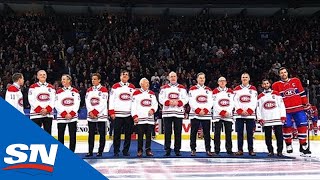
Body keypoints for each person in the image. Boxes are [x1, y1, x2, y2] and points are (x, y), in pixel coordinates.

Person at [272, 67, 311, 155]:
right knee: (287, 126)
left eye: (285, 72)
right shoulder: (276, 85)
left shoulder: (296, 81)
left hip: (299, 108)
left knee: (302, 125)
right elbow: (276, 99)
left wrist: (305, 104)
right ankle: (288, 144)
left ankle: (303, 145)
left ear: (287, 73)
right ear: (279, 74)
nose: (283, 74)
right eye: (281, 73)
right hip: (285, 110)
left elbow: (302, 93)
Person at [159, 71, 189, 156]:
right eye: (171, 76)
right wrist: (168, 102)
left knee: (178, 132)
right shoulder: (164, 88)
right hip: (167, 113)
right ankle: (167, 150)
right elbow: (160, 98)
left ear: (177, 77)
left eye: (174, 76)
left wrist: (179, 102)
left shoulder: (182, 88)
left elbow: (186, 98)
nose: (173, 78)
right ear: (168, 78)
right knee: (167, 132)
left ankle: (177, 150)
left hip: (178, 113)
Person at [109, 70, 136, 157]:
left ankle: (125, 150)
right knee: (116, 134)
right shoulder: (115, 86)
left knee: (128, 134)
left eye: (126, 75)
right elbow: (111, 99)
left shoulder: (132, 87)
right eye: (123, 74)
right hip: (117, 114)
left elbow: (134, 101)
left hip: (128, 115)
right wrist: (111, 111)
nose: (125, 76)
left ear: (129, 77)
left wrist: (134, 113)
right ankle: (116, 151)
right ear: (120, 76)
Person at [257, 79, 286, 156]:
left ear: (270, 84)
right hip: (266, 119)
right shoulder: (260, 96)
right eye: (264, 84)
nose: (266, 85)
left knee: (279, 136)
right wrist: (260, 118)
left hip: (277, 118)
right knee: (268, 137)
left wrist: (283, 116)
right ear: (262, 85)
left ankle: (280, 151)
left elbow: (282, 106)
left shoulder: (276, 94)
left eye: (267, 83)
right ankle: (270, 151)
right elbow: (258, 108)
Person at [131, 78, 158, 157]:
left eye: (148, 82)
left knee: (149, 136)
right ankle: (139, 150)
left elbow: (155, 104)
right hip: (140, 119)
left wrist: (153, 110)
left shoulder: (152, 93)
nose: (148, 84)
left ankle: (148, 150)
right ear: (141, 84)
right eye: (146, 83)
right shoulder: (136, 93)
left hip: (149, 119)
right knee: (140, 136)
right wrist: (134, 116)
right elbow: (133, 106)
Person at [188, 72, 214, 156]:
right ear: (197, 79)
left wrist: (206, 110)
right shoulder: (192, 89)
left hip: (206, 115)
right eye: (200, 78)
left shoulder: (209, 90)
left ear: (205, 79)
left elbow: (211, 102)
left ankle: (208, 149)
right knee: (193, 132)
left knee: (207, 133)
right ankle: (193, 149)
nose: (202, 79)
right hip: (195, 114)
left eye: (203, 78)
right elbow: (191, 101)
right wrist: (198, 110)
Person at [233, 72, 257, 156]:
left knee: (250, 133)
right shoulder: (236, 89)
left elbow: (254, 101)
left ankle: (251, 150)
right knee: (240, 133)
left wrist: (250, 110)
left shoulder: (253, 88)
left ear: (249, 79)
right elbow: (235, 101)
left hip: (250, 115)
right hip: (239, 115)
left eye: (246, 77)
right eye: (243, 77)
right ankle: (240, 150)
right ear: (241, 78)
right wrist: (239, 110)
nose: (244, 78)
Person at [55, 74, 80, 152]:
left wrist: (71, 114)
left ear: (69, 80)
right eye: (62, 79)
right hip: (61, 117)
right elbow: (56, 103)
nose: (62, 81)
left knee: (72, 136)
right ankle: (61, 152)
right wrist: (64, 114)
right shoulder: (58, 92)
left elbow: (77, 103)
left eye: (64, 79)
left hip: (72, 118)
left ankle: (72, 152)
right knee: (60, 136)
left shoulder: (75, 91)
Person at [85, 73, 109, 157]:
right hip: (91, 115)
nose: (93, 80)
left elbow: (103, 102)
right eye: (92, 79)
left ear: (99, 80)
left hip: (101, 115)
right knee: (91, 134)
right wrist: (90, 112)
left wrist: (95, 112)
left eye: (95, 79)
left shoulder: (104, 89)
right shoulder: (89, 90)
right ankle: (90, 151)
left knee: (102, 134)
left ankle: (100, 151)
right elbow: (87, 102)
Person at [28, 70, 55, 134]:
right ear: (37, 77)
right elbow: (31, 100)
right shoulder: (33, 87)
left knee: (48, 134)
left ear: (46, 76)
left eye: (44, 74)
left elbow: (53, 100)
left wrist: (47, 110)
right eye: (40, 75)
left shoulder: (51, 87)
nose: (42, 76)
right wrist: (40, 110)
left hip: (48, 114)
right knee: (35, 135)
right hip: (35, 115)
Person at [212, 77, 235, 155]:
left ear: (226, 82)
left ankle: (229, 150)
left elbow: (232, 103)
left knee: (228, 133)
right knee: (217, 133)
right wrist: (221, 112)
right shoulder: (214, 91)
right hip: (217, 116)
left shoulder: (231, 92)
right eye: (220, 81)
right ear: (218, 82)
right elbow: (214, 103)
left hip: (228, 116)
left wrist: (227, 112)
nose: (222, 82)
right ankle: (216, 150)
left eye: (223, 81)